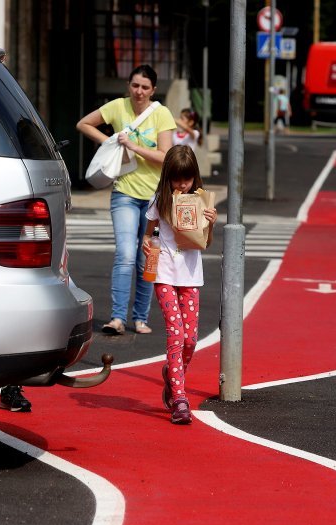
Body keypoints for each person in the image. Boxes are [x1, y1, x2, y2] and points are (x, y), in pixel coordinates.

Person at [77, 65, 176, 335]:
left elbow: (167, 156)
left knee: (147, 259)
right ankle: (118, 318)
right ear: (128, 85)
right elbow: (83, 123)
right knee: (124, 255)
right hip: (125, 193)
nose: (139, 91)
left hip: (155, 198)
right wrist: (110, 142)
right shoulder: (118, 107)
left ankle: (140, 318)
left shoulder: (162, 114)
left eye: (145, 87)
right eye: (135, 85)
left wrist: (134, 147)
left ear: (153, 90)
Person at [142, 145, 217, 425]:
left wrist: (211, 224)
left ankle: (172, 378)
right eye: (176, 179)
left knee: (190, 339)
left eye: (186, 178)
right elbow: (147, 236)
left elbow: (205, 243)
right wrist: (148, 248)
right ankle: (180, 398)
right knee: (175, 333)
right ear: (168, 177)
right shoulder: (159, 199)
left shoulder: (201, 201)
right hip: (164, 274)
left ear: (194, 177)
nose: (182, 184)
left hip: (190, 275)